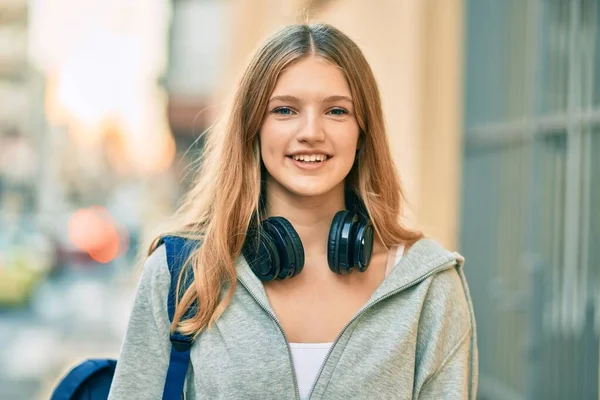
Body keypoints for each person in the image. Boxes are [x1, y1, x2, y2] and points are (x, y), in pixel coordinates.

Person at [108, 23, 478, 399]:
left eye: (336, 111)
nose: (311, 132)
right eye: (285, 110)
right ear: (253, 127)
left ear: (363, 131)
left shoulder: (429, 287)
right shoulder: (182, 273)